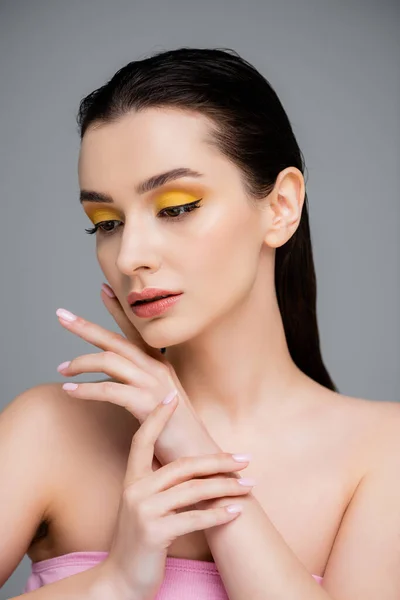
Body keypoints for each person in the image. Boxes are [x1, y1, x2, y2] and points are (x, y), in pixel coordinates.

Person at [1, 46, 400, 600]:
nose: (129, 255)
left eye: (177, 206)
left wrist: (191, 448)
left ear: (281, 206)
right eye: (106, 222)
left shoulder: (384, 453)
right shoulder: (47, 430)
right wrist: (113, 584)